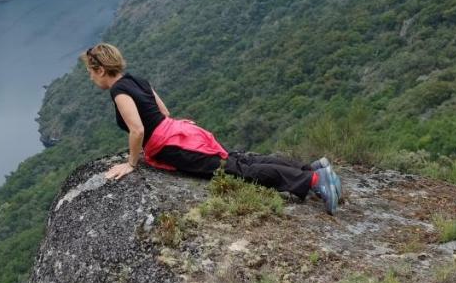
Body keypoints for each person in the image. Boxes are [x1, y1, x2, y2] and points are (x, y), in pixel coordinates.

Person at [81, 43, 342, 214]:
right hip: (179, 132)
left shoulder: (118, 90)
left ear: (101, 70)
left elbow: (137, 130)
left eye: (91, 73)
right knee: (239, 159)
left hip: (171, 146)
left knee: (235, 170)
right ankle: (311, 169)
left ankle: (313, 181)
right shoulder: (136, 79)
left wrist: (131, 163)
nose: (91, 78)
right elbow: (163, 112)